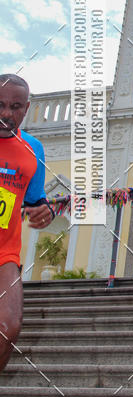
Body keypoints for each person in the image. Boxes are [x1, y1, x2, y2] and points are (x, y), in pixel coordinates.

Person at [0, 74, 54, 372]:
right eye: (0, 105)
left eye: (15, 107)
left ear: (26, 108)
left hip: (4, 254)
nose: (6, 113)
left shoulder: (33, 149)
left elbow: (36, 200)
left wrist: (46, 211)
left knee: (9, 327)